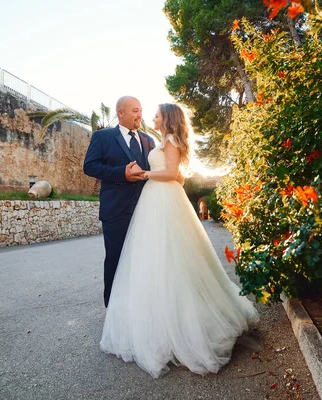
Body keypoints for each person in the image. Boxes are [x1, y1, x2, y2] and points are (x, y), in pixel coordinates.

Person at [99, 103, 259, 378]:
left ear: (167, 119)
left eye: (156, 115)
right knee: (154, 259)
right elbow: (179, 174)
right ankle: (155, 319)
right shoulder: (158, 140)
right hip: (155, 201)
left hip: (163, 200)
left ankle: (186, 332)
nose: (151, 117)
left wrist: (146, 174)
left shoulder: (169, 140)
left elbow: (173, 174)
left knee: (172, 258)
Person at [83, 96, 156, 307]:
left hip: (144, 210)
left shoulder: (148, 140)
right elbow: (90, 166)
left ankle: (137, 308)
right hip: (115, 211)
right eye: (135, 110)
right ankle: (113, 310)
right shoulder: (103, 137)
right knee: (115, 260)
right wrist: (120, 173)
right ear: (120, 113)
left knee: (141, 261)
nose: (140, 115)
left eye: (141, 110)